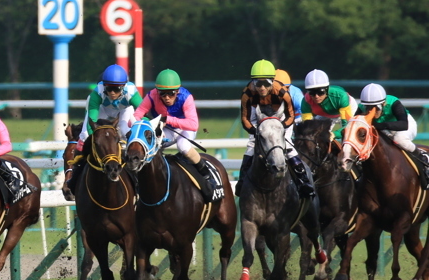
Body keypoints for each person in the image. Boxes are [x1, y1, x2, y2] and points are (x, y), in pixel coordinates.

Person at [134, 69, 223, 200]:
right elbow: (137, 115)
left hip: (185, 129)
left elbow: (193, 124)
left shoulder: (186, 97)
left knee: (183, 146)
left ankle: (206, 175)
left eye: (171, 94)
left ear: (178, 91)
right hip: (167, 129)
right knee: (151, 145)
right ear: (157, 92)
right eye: (162, 94)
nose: (167, 98)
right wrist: (148, 123)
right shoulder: (151, 96)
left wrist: (168, 119)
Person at [239, 59, 314, 198]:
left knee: (287, 144)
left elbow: (291, 116)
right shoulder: (247, 94)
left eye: (265, 83)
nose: (261, 88)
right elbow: (245, 119)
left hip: (281, 118)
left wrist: (280, 128)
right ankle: (242, 181)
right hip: (259, 117)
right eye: (257, 83)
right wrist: (254, 131)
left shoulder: (282, 93)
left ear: (272, 81)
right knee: (251, 146)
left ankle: (303, 181)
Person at [356, 83, 429, 186]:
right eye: (368, 108)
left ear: (383, 103)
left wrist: (379, 125)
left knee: (400, 139)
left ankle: (422, 157)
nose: (371, 111)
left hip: (403, 126)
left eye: (375, 108)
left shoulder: (393, 102)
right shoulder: (361, 107)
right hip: (383, 129)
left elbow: (404, 124)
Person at [76, 64, 142, 149]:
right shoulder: (96, 93)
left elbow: (144, 114)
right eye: (109, 88)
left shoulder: (131, 92)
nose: (112, 93)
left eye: (116, 88)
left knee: (124, 130)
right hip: (103, 108)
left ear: (123, 86)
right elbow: (91, 122)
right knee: (85, 135)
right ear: (104, 86)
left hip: (124, 109)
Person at [300, 69, 357, 141]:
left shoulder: (341, 96)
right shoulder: (306, 101)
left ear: (327, 89)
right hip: (325, 114)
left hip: (348, 108)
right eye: (312, 93)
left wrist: (335, 134)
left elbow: (347, 125)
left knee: (347, 136)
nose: (316, 96)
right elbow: (307, 126)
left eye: (320, 92)